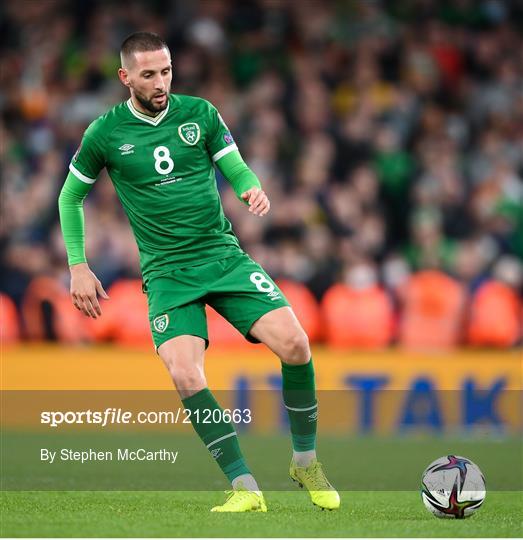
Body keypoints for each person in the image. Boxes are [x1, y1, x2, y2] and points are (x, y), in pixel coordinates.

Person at [58, 31, 339, 513]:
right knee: (186, 374)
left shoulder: (201, 114)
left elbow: (236, 165)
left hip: (222, 256)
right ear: (126, 77)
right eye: (148, 74)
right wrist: (78, 265)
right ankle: (244, 487)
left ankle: (305, 462)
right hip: (167, 272)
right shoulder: (104, 133)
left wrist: (251, 189)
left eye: (166, 71)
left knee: (296, 344)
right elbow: (69, 197)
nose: (161, 81)